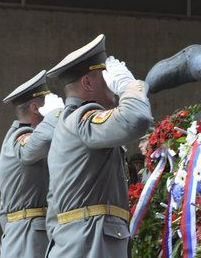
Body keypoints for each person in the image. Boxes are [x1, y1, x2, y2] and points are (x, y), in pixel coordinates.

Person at [45, 34, 153, 258]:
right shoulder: (83, 119)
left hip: (82, 242)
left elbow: (52, 205)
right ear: (87, 83)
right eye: (106, 75)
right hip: (89, 244)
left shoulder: (70, 124)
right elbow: (137, 119)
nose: (112, 83)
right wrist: (127, 85)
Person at [0, 70, 64, 258]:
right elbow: (35, 146)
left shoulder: (17, 137)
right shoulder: (22, 138)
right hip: (28, 236)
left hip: (25, 232)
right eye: (48, 103)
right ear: (36, 108)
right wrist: (56, 114)